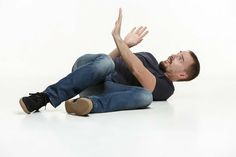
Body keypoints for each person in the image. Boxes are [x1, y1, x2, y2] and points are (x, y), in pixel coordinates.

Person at [19, 8, 200, 116]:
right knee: (107, 62)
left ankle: (87, 105)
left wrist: (120, 41)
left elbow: (139, 72)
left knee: (145, 97)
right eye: (177, 53)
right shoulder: (150, 56)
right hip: (88, 71)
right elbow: (105, 62)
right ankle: (45, 97)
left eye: (180, 58)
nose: (174, 55)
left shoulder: (167, 88)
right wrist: (124, 44)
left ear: (182, 74)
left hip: (100, 90)